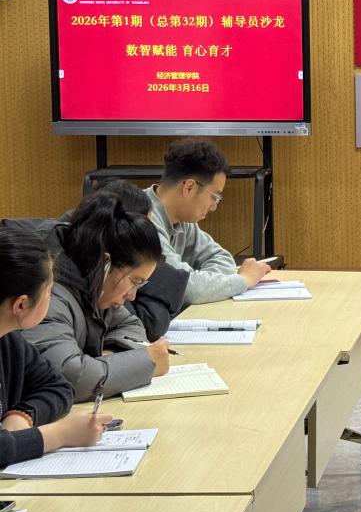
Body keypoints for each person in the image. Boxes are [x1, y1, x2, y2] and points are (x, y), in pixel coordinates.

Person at [24, 191, 170, 401]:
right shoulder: (47, 293)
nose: (132, 296)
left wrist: (111, 355)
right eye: (135, 282)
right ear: (105, 263)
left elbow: (130, 324)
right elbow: (68, 377)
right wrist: (146, 362)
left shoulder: (95, 284)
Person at [0, 225, 112, 467]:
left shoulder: (8, 340)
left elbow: (58, 387)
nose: (51, 298)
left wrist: (23, 415)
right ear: (21, 305)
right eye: (49, 291)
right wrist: (61, 434)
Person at [145, 138, 270, 305]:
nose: (214, 207)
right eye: (215, 197)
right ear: (189, 188)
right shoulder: (143, 219)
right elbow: (183, 288)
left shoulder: (182, 218)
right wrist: (244, 280)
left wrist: (202, 284)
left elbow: (221, 258)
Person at [65, 180, 188, 341]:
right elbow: (150, 326)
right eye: (144, 227)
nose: (132, 296)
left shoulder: (107, 275)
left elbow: (131, 325)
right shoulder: (69, 278)